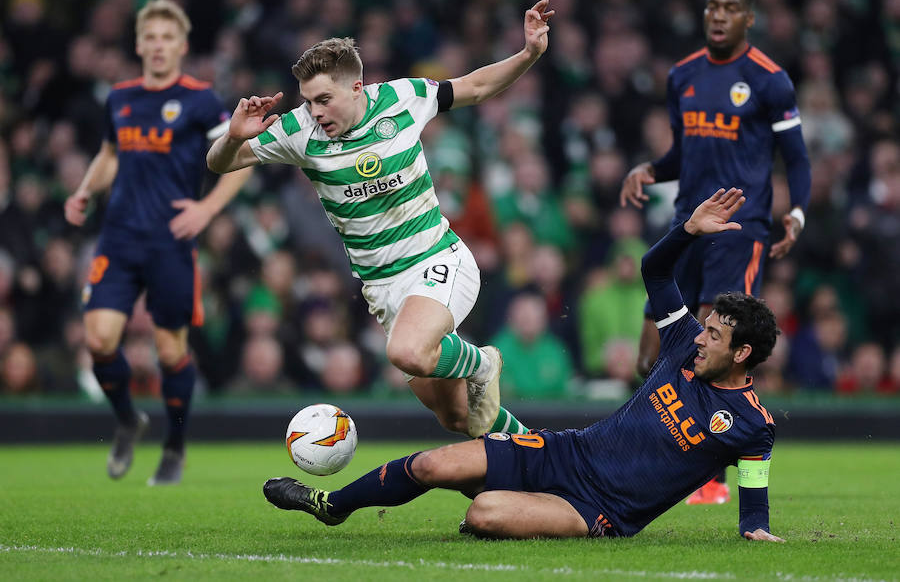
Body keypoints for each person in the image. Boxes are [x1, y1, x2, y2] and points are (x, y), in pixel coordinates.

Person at [262, 188, 783, 543]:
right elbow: (655, 269)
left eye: (715, 334)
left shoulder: (753, 424)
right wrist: (687, 231)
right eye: (706, 326)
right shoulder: (682, 344)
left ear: (741, 354)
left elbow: (753, 502)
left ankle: (506, 484)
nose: (702, 336)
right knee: (430, 465)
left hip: (598, 509)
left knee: (482, 514)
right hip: (567, 453)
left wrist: (755, 531)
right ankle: (331, 505)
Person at [207, 0, 556, 439]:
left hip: (436, 259)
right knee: (455, 416)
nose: (315, 112)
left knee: (408, 352)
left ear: (356, 89)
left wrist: (527, 55)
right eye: (309, 101)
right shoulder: (299, 131)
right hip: (381, 288)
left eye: (324, 100)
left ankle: (484, 361)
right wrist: (232, 137)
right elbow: (219, 163)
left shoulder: (402, 98)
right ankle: (540, 457)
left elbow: (476, 87)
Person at [619, 0, 810, 504]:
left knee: (710, 345)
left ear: (748, 18)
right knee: (649, 357)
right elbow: (685, 153)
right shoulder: (682, 75)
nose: (719, 15)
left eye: (730, 8)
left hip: (739, 230)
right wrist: (651, 170)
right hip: (687, 224)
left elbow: (795, 157)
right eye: (712, 7)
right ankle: (648, 456)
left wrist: (795, 210)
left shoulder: (770, 80)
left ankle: (713, 478)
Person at [64, 0, 252, 485]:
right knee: (98, 340)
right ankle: (129, 420)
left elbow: (242, 158)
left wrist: (207, 209)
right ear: (138, 44)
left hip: (171, 241)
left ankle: (174, 445)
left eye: (168, 38)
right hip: (120, 238)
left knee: (171, 353)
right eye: (151, 37)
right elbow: (109, 153)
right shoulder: (120, 97)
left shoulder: (200, 100)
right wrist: (85, 190)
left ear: (182, 46)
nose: (159, 46)